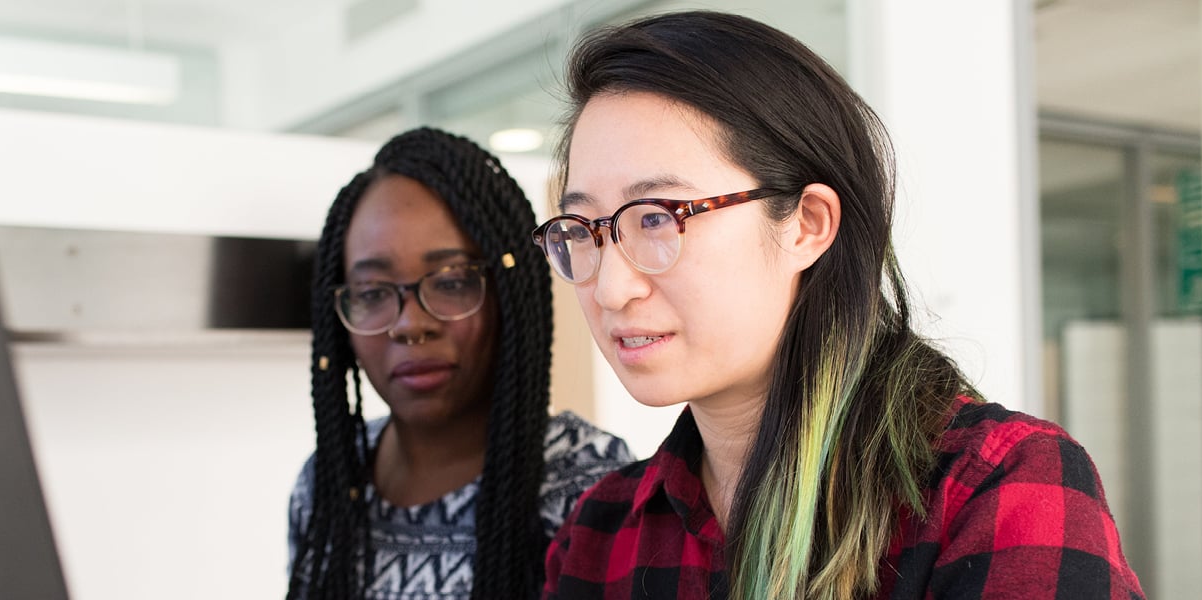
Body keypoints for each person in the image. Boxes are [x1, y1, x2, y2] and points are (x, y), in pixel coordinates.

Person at [536, 11, 1145, 600]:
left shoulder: (995, 492)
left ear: (807, 223)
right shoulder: (599, 532)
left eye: (657, 218)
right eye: (582, 229)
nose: (613, 289)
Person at [287, 127, 634, 600]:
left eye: (451, 283)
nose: (410, 325)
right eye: (371, 293)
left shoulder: (587, 485)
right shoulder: (327, 481)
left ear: (507, 296)